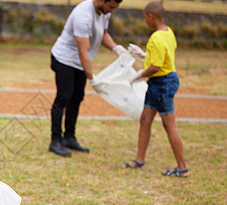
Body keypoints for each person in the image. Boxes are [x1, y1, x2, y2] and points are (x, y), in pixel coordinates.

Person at [49, 0, 127, 157]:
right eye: (111, 6)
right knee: (64, 97)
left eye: (115, 8)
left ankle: (69, 137)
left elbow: (103, 34)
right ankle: (55, 140)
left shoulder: (104, 12)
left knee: (77, 97)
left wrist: (117, 49)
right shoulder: (83, 15)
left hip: (79, 62)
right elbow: (83, 51)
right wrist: (92, 78)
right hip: (64, 59)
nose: (112, 11)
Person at [123, 1, 189, 178]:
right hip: (159, 83)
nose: (145, 21)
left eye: (145, 17)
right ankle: (139, 160)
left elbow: (156, 67)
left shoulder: (156, 37)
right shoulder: (168, 33)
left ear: (150, 16)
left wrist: (137, 76)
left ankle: (182, 168)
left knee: (170, 125)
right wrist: (143, 55)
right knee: (145, 120)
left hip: (162, 83)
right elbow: (162, 57)